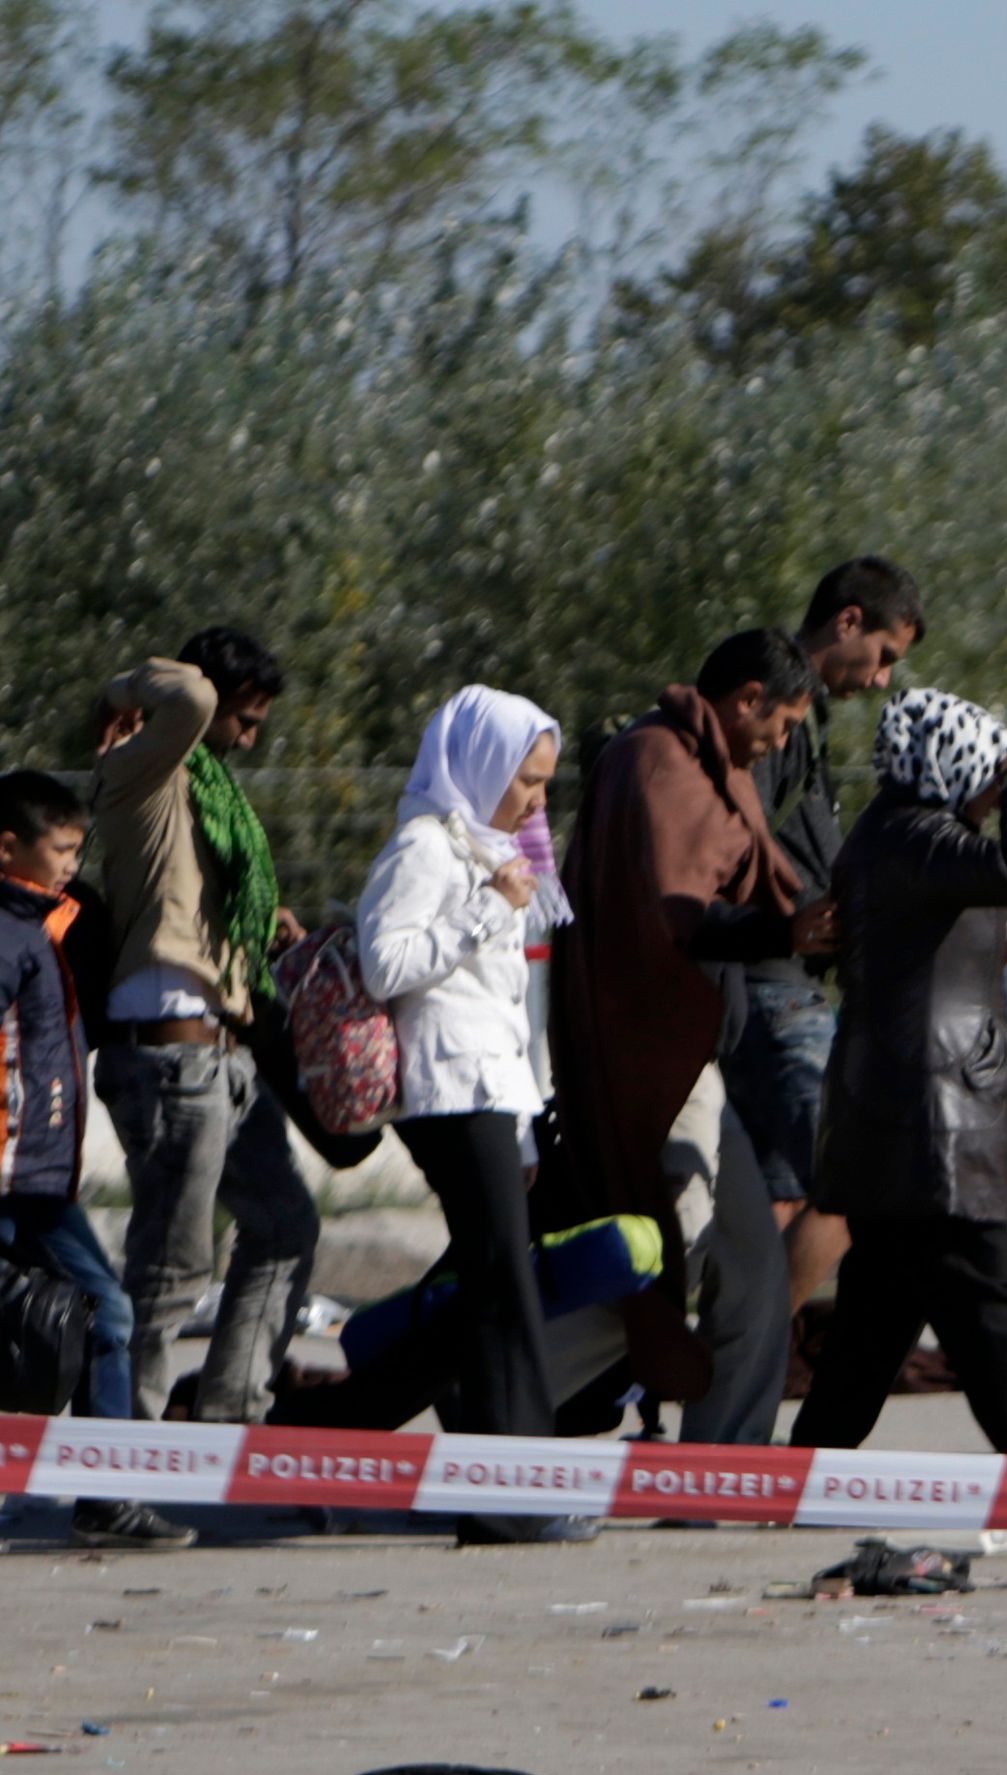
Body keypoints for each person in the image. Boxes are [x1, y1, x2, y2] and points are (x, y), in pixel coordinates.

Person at [543, 628, 821, 1443]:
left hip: (680, 1058)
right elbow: (678, 917)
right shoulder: (665, 766)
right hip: (658, 1064)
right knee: (676, 1257)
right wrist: (787, 936)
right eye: (783, 722)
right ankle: (504, 1372)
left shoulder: (690, 763)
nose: (785, 741)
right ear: (746, 702)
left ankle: (721, 1464)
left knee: (747, 1267)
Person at [792, 692, 1007, 1457]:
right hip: (934, 1127)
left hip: (894, 1120)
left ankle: (803, 1477)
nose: (991, 791)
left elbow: (921, 942)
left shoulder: (890, 834)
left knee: (870, 1331)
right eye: (986, 771)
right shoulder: (920, 835)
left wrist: (988, 948)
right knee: (990, 1316)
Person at [353, 686, 582, 1540]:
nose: (535, 800)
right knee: (502, 1289)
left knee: (495, 1283)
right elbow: (386, 964)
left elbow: (511, 1002)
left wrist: (529, 1113)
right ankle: (512, 1497)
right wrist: (491, 904)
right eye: (526, 779)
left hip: (493, 1091)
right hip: (449, 1091)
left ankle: (354, 1432)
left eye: (544, 783)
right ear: (480, 766)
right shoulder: (425, 846)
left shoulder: (492, 851)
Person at [83, 627, 319, 1425]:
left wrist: (256, 926)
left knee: (284, 1227)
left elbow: (182, 899)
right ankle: (120, 1465)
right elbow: (189, 696)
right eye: (243, 720)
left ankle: (225, 1426)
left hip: (223, 1061)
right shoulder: (146, 771)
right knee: (170, 1271)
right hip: (170, 1066)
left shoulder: (211, 794)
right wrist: (120, 694)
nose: (249, 738)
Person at [0, 769, 186, 1547]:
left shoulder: (46, 926)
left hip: (38, 1179)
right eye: (62, 848)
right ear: (9, 847)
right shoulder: (9, 936)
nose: (74, 861)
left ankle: (104, 1495)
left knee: (97, 1314)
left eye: (80, 847)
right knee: (88, 1318)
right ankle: (98, 1492)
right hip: (14, 1178)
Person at [737, 557, 925, 1319]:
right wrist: (793, 919)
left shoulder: (800, 723)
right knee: (858, 1176)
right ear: (847, 621)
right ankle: (736, 1358)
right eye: (883, 656)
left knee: (785, 1196)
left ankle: (740, 1381)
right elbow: (734, 841)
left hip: (787, 984)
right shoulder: (776, 717)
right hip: (773, 985)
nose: (881, 680)